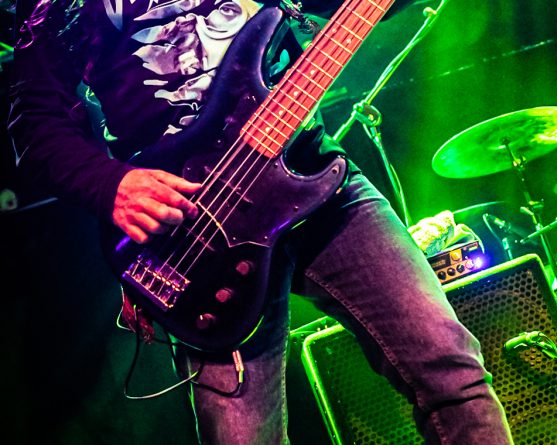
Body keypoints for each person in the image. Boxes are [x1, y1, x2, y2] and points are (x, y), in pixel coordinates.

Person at [7, 1, 514, 444]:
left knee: (452, 373)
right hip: (194, 233)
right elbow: (33, 121)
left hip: (311, 171)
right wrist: (112, 186)